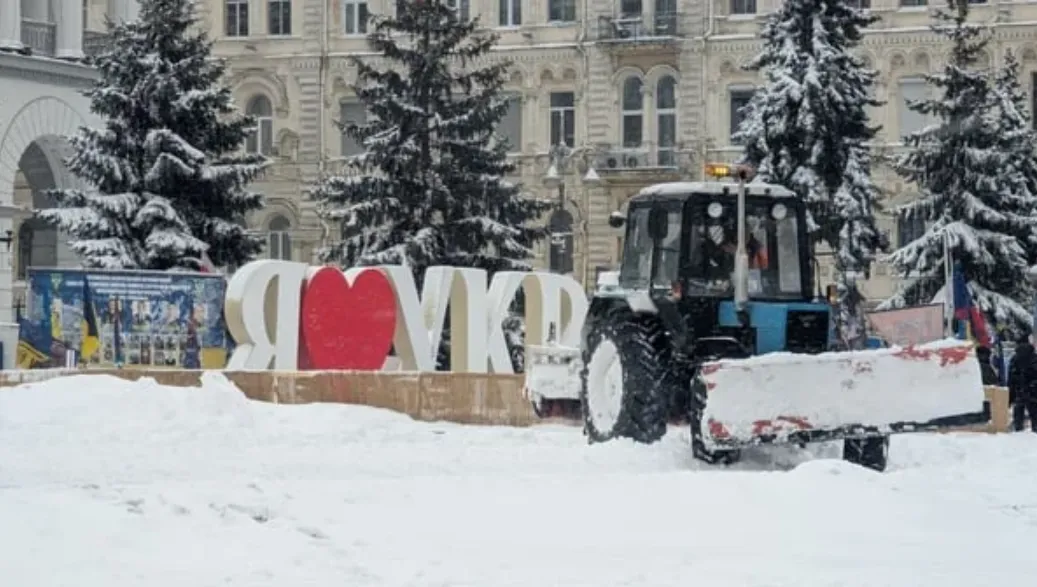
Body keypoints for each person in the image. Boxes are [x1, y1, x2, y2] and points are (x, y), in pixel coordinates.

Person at [1007, 335, 1037, 432]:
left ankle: (1018, 434)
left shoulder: (1014, 359)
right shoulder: (1034, 358)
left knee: (1018, 417)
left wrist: (1009, 398)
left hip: (1018, 392)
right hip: (1033, 392)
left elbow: (1011, 379)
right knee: (1035, 417)